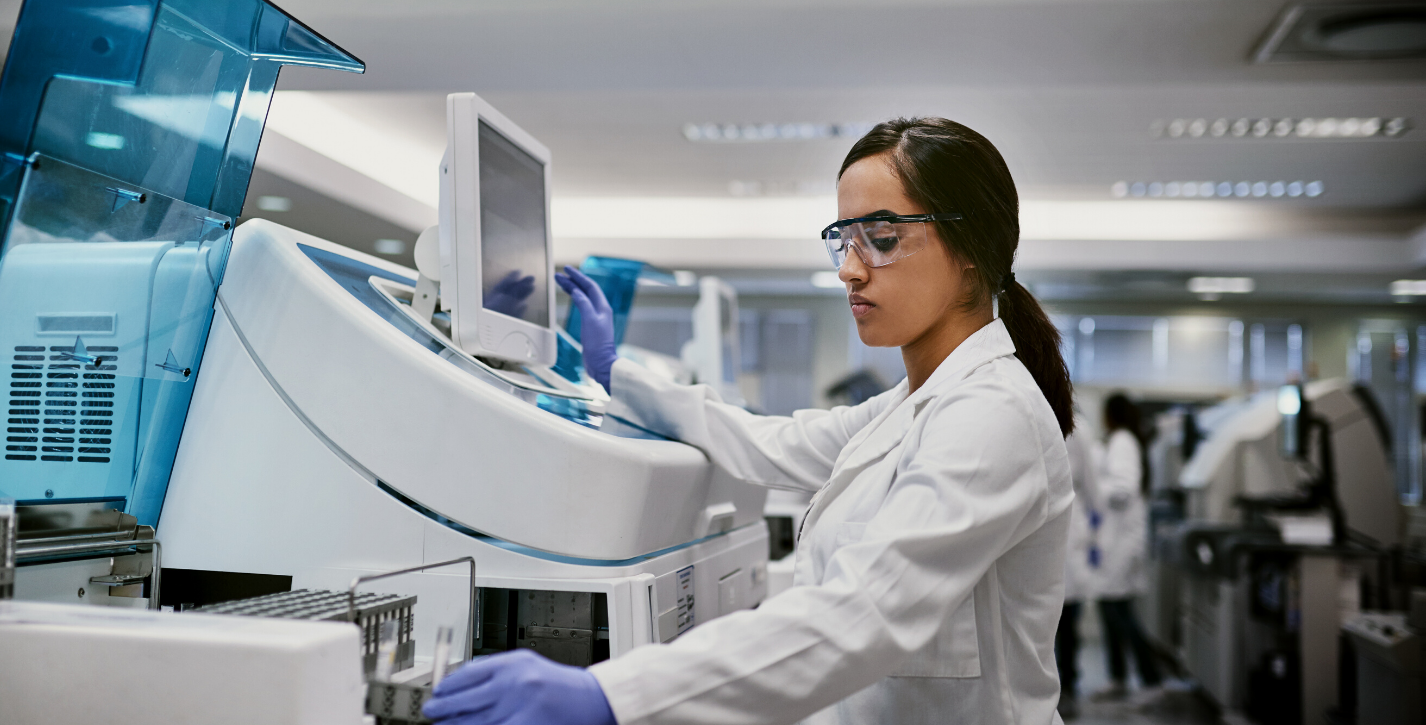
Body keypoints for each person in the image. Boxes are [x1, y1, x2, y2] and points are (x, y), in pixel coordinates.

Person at [424, 118, 1076, 725]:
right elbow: (769, 441)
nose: (849, 269)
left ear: (970, 245)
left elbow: (861, 616)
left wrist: (611, 694)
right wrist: (616, 374)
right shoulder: (915, 403)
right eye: (844, 240)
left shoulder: (990, 415)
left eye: (881, 239)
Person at [1091, 393, 1162, 699]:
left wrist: (1091, 488)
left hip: (1122, 540)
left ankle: (1151, 679)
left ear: (1111, 415)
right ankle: (1118, 678)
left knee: (1117, 610)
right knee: (1111, 608)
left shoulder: (1122, 441)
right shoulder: (1122, 440)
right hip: (1116, 539)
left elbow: (1123, 491)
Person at [1054, 425, 1104, 720]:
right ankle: (1053, 684)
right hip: (1048, 533)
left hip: (1072, 534)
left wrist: (1097, 532)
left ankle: (1069, 683)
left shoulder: (1079, 432)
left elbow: (1093, 488)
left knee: (1067, 620)